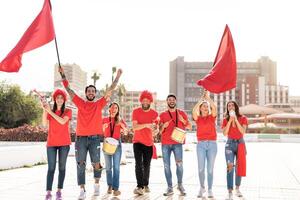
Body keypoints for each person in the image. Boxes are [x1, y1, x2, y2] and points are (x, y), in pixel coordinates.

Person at [59, 67, 122, 199]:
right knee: (80, 163)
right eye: (89, 91)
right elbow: (69, 90)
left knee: (96, 163)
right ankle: (82, 189)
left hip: (94, 139)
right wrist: (63, 75)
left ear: (95, 93)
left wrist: (117, 76)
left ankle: (97, 185)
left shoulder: (99, 104)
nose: (91, 93)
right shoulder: (80, 103)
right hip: (80, 139)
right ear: (86, 93)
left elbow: (110, 89)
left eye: (93, 91)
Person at [41, 89, 72, 200]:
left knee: (62, 167)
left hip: (64, 143)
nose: (59, 100)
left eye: (61, 98)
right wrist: (45, 109)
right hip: (51, 143)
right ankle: (48, 192)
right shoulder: (50, 110)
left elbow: (62, 121)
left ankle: (59, 191)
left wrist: (49, 111)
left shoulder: (68, 111)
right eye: (57, 98)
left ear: (64, 100)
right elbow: (44, 124)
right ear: (55, 99)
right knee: (51, 168)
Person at [159, 94, 191, 196]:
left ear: (175, 101)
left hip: (178, 144)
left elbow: (189, 126)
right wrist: (163, 126)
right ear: (167, 102)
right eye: (169, 100)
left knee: (179, 165)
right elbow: (159, 131)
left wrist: (183, 120)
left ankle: (180, 185)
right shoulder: (162, 115)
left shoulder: (182, 113)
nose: (171, 101)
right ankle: (169, 187)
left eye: (173, 99)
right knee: (166, 166)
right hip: (165, 144)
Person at [132, 90, 159, 195]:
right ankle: (139, 186)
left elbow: (156, 130)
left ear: (150, 101)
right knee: (138, 164)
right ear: (141, 100)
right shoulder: (136, 111)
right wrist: (147, 125)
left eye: (147, 100)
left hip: (149, 143)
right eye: (143, 100)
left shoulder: (155, 114)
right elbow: (134, 127)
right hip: (137, 141)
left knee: (147, 165)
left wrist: (156, 130)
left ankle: (146, 184)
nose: (145, 102)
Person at [192, 91, 217, 199]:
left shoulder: (212, 117)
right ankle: (202, 187)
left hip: (212, 145)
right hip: (201, 145)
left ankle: (210, 189)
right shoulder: (198, 118)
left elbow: (214, 108)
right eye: (204, 106)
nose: (206, 108)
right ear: (201, 108)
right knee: (201, 168)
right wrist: (200, 101)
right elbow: (193, 111)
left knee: (210, 169)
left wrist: (208, 98)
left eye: (207, 106)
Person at [222, 101, 248, 200]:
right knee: (230, 167)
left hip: (240, 143)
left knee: (239, 167)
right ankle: (229, 190)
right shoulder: (225, 120)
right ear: (227, 108)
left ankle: (237, 188)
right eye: (229, 105)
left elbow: (242, 131)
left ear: (236, 107)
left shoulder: (243, 118)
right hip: (229, 144)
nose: (230, 107)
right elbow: (224, 133)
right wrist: (230, 120)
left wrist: (236, 120)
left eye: (232, 105)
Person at [102, 102, 128, 196]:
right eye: (112, 107)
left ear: (118, 110)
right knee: (108, 167)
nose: (114, 109)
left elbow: (125, 133)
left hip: (117, 145)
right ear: (109, 109)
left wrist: (124, 128)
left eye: (116, 107)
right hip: (107, 143)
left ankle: (116, 188)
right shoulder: (104, 119)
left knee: (116, 167)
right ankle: (109, 185)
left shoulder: (120, 120)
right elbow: (100, 131)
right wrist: (103, 128)